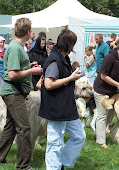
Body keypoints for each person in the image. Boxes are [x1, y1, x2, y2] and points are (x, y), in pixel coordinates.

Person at [0, 18, 43, 170]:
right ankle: (23, 165)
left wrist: (28, 66)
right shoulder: (15, 48)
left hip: (14, 91)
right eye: (31, 31)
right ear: (28, 32)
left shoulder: (17, 47)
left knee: (11, 127)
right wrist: (32, 71)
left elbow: (16, 69)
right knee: (25, 128)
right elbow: (13, 74)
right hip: (13, 93)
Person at [38, 29, 86, 170]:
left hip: (67, 107)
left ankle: (62, 163)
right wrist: (70, 78)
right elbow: (48, 84)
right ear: (68, 44)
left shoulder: (63, 58)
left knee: (79, 136)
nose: (74, 47)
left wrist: (72, 77)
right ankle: (54, 167)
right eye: (73, 43)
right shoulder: (54, 59)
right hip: (56, 107)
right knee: (55, 142)